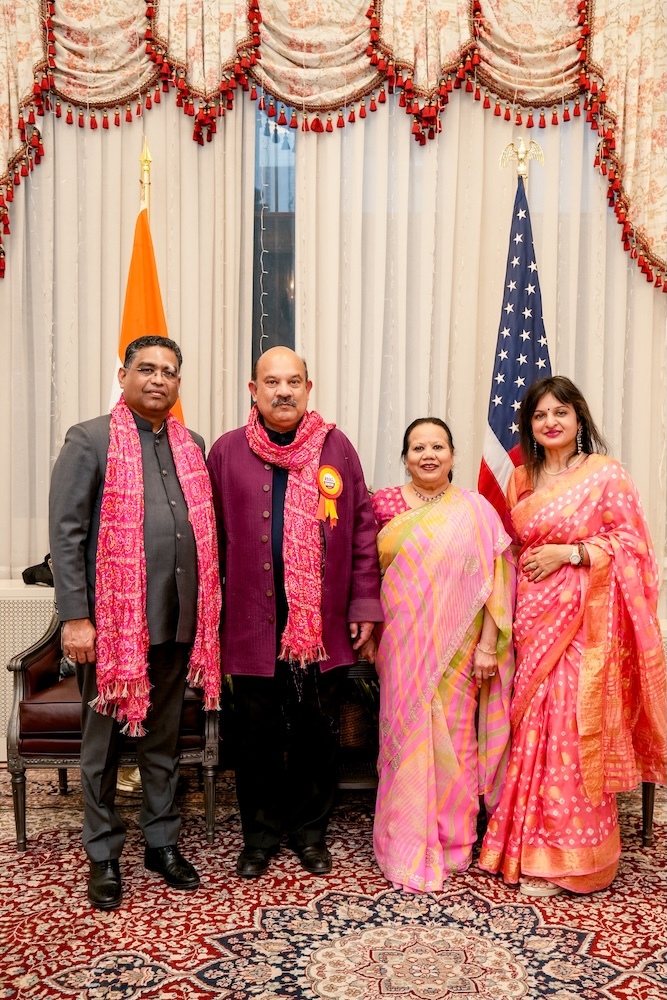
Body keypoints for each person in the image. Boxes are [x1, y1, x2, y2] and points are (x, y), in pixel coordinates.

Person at [49, 335, 221, 910]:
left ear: (178, 384)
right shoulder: (90, 440)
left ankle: (161, 842)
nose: (157, 379)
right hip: (112, 627)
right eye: (146, 368)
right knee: (101, 745)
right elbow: (67, 535)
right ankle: (102, 853)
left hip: (177, 619)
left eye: (168, 371)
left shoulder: (191, 445)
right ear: (122, 376)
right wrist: (76, 618)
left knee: (162, 738)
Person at [478, 375, 667, 896]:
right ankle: (528, 846)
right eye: (540, 415)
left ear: (579, 418)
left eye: (560, 412)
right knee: (533, 728)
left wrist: (572, 553)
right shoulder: (521, 479)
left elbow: (634, 547)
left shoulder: (605, 474)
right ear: (529, 426)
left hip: (585, 622)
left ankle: (574, 861)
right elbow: (512, 552)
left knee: (569, 727)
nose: (550, 422)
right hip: (533, 618)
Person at [207, 346, 383, 878]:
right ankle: (259, 837)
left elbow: (363, 529)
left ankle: (310, 833)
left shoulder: (337, 448)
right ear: (253, 391)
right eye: (272, 382)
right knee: (255, 737)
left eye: (293, 382)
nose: (283, 391)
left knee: (315, 732)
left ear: (308, 388)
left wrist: (364, 603)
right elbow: (208, 538)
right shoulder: (227, 451)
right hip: (249, 622)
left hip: (320, 624)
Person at [365, 417, 516, 893]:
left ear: (452, 455)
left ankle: (453, 842)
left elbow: (497, 581)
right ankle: (404, 841)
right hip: (401, 644)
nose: (428, 455)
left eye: (437, 446)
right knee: (404, 736)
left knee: (457, 741)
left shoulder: (476, 511)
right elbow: (365, 572)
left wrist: (489, 645)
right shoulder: (383, 505)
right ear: (405, 457)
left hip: (460, 650)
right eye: (418, 448)